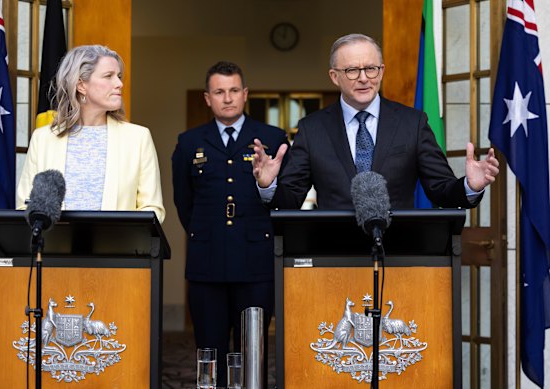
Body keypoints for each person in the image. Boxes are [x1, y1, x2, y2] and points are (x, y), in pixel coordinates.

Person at [252, 33, 499, 210]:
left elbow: (442, 191)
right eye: (352, 70)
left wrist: (470, 186)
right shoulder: (312, 128)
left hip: (400, 255)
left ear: (381, 71)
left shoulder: (412, 123)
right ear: (334, 76)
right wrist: (268, 185)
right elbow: (291, 200)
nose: (363, 78)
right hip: (334, 260)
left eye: (371, 69)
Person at [172, 61, 288, 387]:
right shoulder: (188, 142)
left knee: (253, 352)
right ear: (207, 98)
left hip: (256, 264)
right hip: (206, 264)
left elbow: (286, 201)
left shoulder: (271, 138)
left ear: (245, 94)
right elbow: (184, 204)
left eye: (234, 90)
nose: (228, 98)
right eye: (219, 92)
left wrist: (267, 186)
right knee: (209, 350)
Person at [16, 45, 165, 223]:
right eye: (108, 76)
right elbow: (25, 205)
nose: (119, 84)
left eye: (118, 76)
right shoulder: (43, 139)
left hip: (116, 247)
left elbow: (152, 208)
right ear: (81, 85)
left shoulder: (138, 138)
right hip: (54, 248)